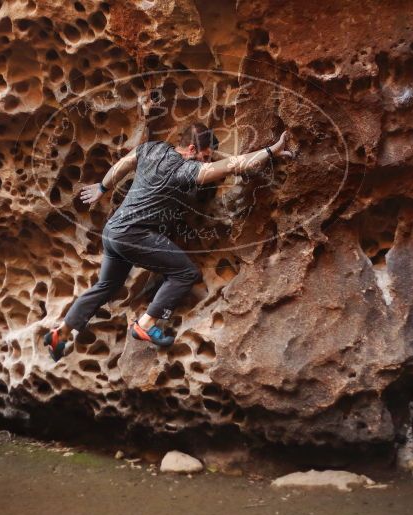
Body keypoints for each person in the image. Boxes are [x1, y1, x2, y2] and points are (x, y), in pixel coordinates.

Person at [43, 123, 294, 361]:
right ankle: (146, 324)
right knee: (184, 273)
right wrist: (271, 151)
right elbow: (232, 166)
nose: (208, 161)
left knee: (106, 286)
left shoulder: (152, 148)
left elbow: (124, 163)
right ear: (192, 150)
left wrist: (102, 187)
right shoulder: (184, 171)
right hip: (134, 235)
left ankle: (61, 333)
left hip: (113, 232)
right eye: (205, 156)